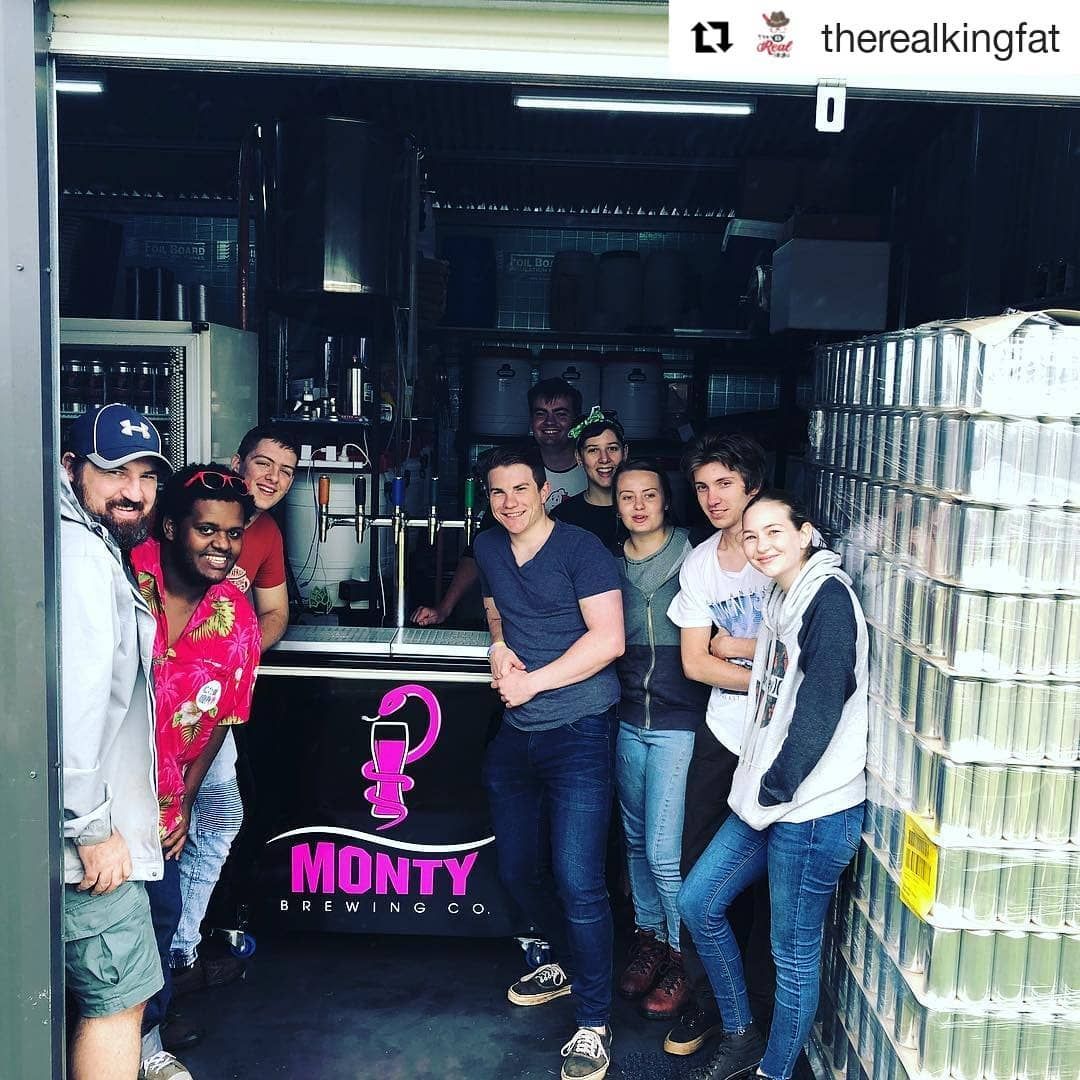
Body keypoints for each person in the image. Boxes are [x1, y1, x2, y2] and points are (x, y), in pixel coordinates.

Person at [677, 490, 868, 1080]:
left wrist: (779, 785)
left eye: (775, 533)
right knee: (697, 902)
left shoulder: (827, 597)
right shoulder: (785, 594)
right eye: (752, 536)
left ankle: (774, 1072)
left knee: (792, 955)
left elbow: (824, 694)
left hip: (809, 809)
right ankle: (740, 1032)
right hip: (765, 800)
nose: (761, 547)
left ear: (805, 532)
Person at [474, 443, 624, 1080]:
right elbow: (493, 601)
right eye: (498, 493)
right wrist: (500, 646)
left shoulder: (581, 549)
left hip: (580, 730)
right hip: (518, 734)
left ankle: (596, 1021)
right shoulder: (488, 544)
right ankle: (570, 962)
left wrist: (534, 683)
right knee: (515, 869)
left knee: (579, 879)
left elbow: (609, 640)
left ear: (545, 492)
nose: (510, 503)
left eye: (520, 490)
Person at [130, 465, 262, 1080]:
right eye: (206, 529)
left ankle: (147, 1042)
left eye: (233, 534)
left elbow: (222, 716)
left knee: (160, 911)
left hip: (163, 787)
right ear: (170, 526)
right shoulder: (125, 575)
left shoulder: (235, 613)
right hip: (94, 780)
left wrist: (180, 798)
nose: (221, 545)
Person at [167, 427, 299, 1002]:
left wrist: (233, 658)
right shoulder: (179, 518)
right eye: (263, 463)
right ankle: (156, 970)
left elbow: (275, 612)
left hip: (214, 702)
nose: (272, 477)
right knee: (161, 825)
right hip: (161, 706)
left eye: (286, 470)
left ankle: (179, 949)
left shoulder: (264, 532)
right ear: (237, 462)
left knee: (218, 815)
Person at [60, 404, 171, 1080]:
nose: (133, 490)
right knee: (119, 1000)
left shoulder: (85, 543)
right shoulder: (80, 558)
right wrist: (92, 827)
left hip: (79, 829)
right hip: (86, 846)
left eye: (145, 476)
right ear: (72, 469)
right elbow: (73, 707)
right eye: (112, 472)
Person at [663, 433, 775, 1058]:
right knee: (700, 866)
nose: (711, 497)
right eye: (703, 486)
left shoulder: (787, 547)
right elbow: (697, 666)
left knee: (768, 878)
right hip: (725, 733)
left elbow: (809, 652)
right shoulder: (701, 563)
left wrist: (734, 649)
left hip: (782, 740)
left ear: (751, 485)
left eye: (724, 484)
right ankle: (706, 1001)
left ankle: (758, 1006)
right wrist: (768, 672)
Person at [611, 460, 709, 1021]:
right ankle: (649, 938)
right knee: (633, 840)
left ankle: (681, 954)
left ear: (666, 501)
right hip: (628, 717)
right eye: (628, 497)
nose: (640, 505)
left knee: (664, 852)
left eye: (650, 494)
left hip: (678, 721)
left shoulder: (695, 557)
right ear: (618, 504)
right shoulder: (608, 564)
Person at [411, 378, 586, 626]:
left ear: (576, 420)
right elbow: (478, 551)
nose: (550, 422)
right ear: (530, 420)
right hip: (520, 614)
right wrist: (444, 608)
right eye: (541, 413)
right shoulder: (513, 473)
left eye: (560, 414)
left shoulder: (593, 472)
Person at [551, 409, 627, 549]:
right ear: (579, 457)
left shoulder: (642, 510)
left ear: (625, 453)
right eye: (593, 450)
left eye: (612, 449)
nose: (604, 459)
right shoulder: (562, 518)